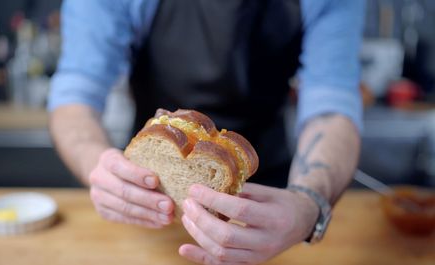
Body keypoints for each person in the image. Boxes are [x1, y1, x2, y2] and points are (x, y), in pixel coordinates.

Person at [48, 0, 365, 264]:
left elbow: (332, 101)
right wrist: (97, 166)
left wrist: (309, 204)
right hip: (148, 197)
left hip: (275, 200)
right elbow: (76, 91)